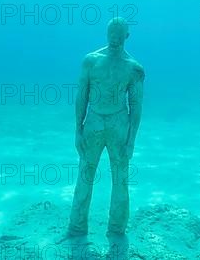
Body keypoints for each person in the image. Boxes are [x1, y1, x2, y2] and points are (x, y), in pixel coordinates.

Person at [66, 17, 145, 238]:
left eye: (119, 33)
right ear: (106, 32)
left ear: (127, 36)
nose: (114, 37)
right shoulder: (91, 61)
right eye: (111, 32)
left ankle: (117, 231)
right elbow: (81, 96)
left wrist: (131, 141)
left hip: (119, 124)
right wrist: (78, 129)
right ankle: (76, 228)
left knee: (120, 179)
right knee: (84, 175)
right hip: (93, 122)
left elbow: (136, 106)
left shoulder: (134, 68)